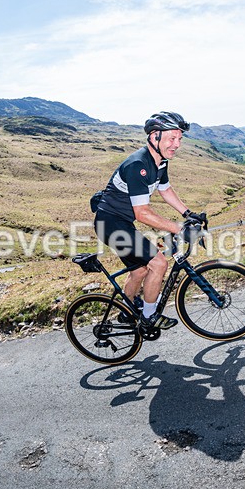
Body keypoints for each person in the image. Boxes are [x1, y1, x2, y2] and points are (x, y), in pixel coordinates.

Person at [93, 111, 200, 331]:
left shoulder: (160, 162)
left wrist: (188, 213)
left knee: (140, 270)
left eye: (179, 139)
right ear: (154, 137)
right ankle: (149, 317)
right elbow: (142, 212)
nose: (177, 144)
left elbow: (166, 190)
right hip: (110, 224)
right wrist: (178, 228)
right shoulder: (137, 165)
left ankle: (126, 311)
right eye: (172, 138)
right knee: (158, 262)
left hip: (122, 223)